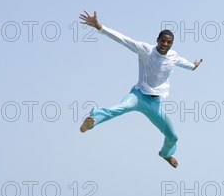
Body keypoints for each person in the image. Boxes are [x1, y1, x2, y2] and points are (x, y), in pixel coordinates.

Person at [78, 10, 203, 168]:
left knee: (173, 136)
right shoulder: (145, 49)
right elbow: (123, 40)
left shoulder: (173, 56)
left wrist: (194, 66)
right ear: (157, 40)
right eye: (162, 41)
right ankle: (92, 120)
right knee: (121, 107)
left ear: (172, 44)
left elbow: (187, 64)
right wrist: (100, 27)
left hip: (155, 104)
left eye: (168, 42)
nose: (165, 44)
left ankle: (166, 153)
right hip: (138, 96)